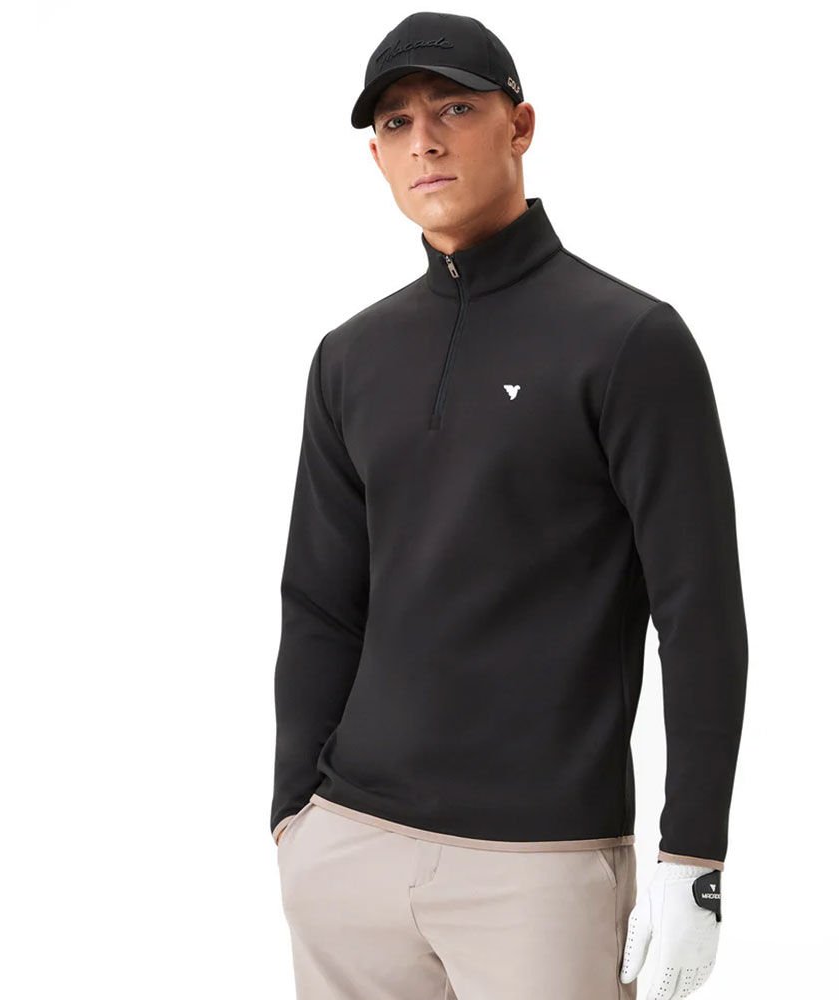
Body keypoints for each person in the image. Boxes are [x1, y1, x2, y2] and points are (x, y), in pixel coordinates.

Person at [270, 12, 748, 1000]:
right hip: (348, 851)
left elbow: (698, 610)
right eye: (396, 123)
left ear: (519, 125)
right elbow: (319, 598)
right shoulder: (350, 357)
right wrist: (293, 814)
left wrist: (693, 858)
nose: (424, 141)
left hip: (538, 865)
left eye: (453, 109)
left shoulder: (629, 341)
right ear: (375, 155)